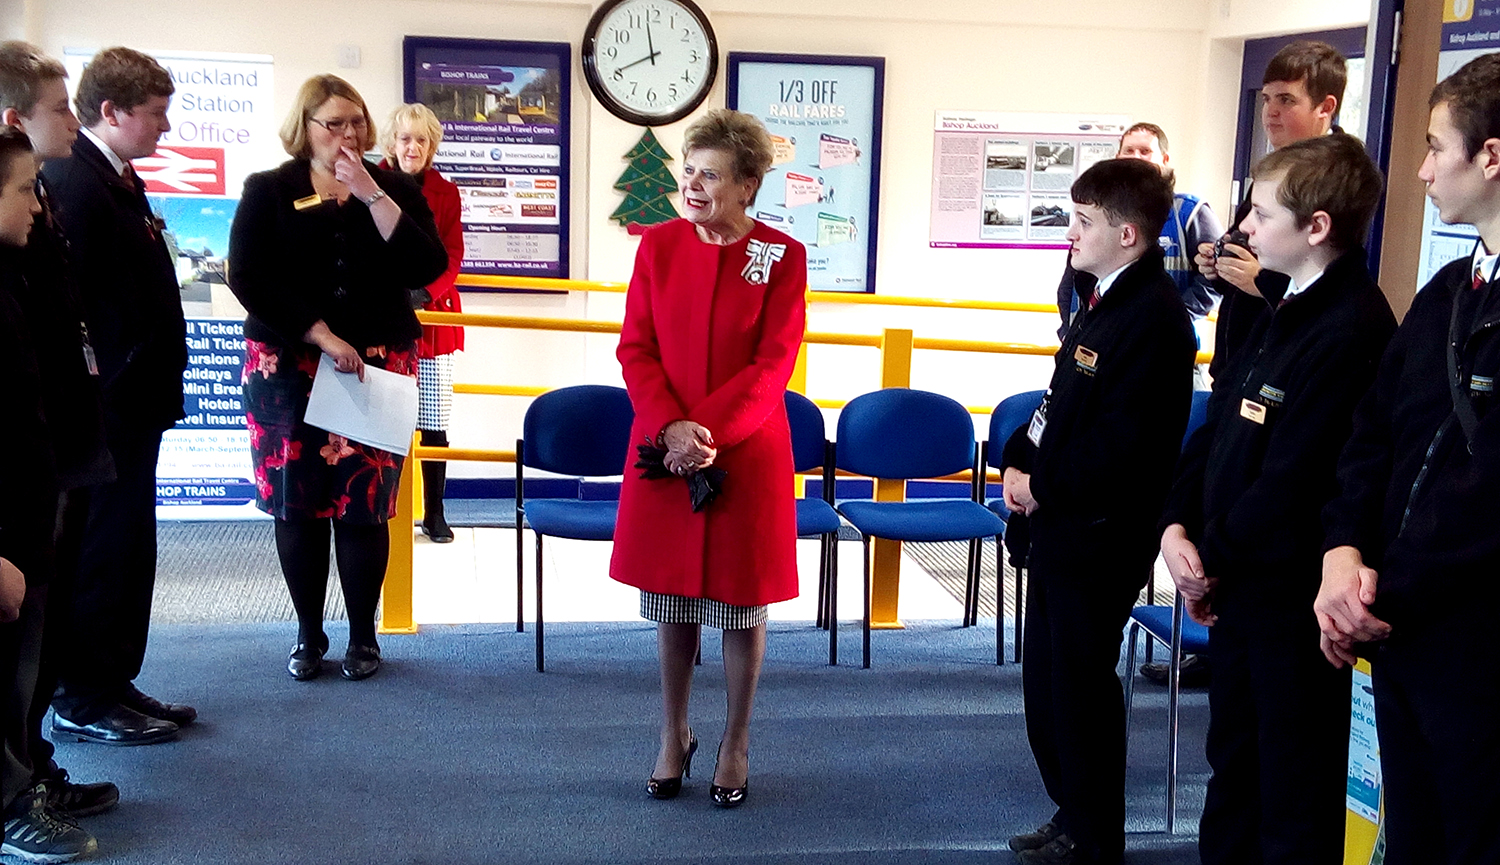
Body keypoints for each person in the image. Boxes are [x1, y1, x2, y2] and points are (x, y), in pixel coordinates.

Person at [1159, 134, 1395, 865]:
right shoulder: (1273, 307)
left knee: (1292, 797)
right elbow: (1219, 424)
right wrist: (1176, 524)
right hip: (1240, 589)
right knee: (1235, 772)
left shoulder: (1351, 324)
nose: (1247, 230)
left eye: (1261, 214)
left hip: (1292, 603)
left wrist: (1210, 559)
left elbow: (1293, 483)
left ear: (1315, 226)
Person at [1315, 52, 1500, 865]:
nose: (1420, 171)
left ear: (1490, 157)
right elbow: (1373, 435)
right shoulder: (1446, 293)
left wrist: (1385, 588)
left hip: (1479, 650)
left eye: (1435, 146)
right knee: (1414, 837)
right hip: (1399, 633)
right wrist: (1342, 550)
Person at [1001, 159, 1196, 865]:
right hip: (1061, 528)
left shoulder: (1155, 320)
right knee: (1052, 687)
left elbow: (1123, 449)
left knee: (1081, 691)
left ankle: (1095, 838)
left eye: (1083, 222)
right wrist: (1018, 458)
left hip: (1099, 534)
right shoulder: (1102, 298)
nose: (1070, 233)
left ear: (1129, 233)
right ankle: (1073, 813)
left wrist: (1039, 485)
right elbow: (1059, 406)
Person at [611, 109, 806, 810]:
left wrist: (707, 433)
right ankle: (673, 732)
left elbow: (773, 361)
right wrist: (670, 429)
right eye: (687, 170)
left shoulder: (782, 255)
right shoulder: (656, 246)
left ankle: (736, 740)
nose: (692, 184)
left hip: (742, 455)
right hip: (665, 452)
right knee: (672, 601)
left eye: (710, 174)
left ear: (748, 184)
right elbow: (635, 347)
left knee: (741, 606)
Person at [228, 75, 446, 682]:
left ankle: (363, 636)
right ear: (307, 128)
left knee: (365, 505)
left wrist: (373, 193)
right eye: (334, 123)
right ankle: (307, 633)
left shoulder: (395, 187)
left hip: (377, 363)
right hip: (290, 364)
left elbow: (427, 265)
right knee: (296, 504)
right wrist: (319, 334)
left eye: (357, 122)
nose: (349, 134)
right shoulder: (270, 189)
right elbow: (247, 274)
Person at [40, 46, 193, 747]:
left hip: (136, 404)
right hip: (109, 408)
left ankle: (113, 679)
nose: (165, 127)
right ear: (114, 111)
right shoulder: (76, 180)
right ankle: (85, 696)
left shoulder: (118, 178)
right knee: (104, 549)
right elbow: (77, 304)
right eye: (155, 114)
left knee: (129, 547)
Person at [0, 39, 121, 824]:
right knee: (19, 644)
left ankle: (32, 766)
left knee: (38, 640)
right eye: (58, 109)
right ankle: (16, 795)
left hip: (58, 448)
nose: (72, 123)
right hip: (22, 471)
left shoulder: (41, 207)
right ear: (16, 119)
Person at [0, 126, 98, 863]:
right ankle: (9, 804)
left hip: (28, 513)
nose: (37, 202)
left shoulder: (13, 275)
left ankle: (25, 780)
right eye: (22, 188)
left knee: (25, 665)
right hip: (2, 535)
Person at [1197, 40, 1346, 381]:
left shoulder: (1336, 180)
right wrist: (1222, 263)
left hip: (1284, 366)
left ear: (1325, 107)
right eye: (1266, 99)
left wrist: (1263, 284)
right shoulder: (1273, 171)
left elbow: (1328, 284)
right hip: (1238, 359)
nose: (1270, 112)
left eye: (1286, 100)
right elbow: (1252, 256)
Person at [380, 103, 464, 543]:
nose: (412, 147)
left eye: (421, 140)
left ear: (431, 147)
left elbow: (453, 254)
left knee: (434, 419)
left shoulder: (446, 192)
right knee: (386, 419)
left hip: (433, 321)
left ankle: (434, 512)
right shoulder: (367, 182)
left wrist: (424, 294)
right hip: (381, 317)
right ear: (391, 143)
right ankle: (385, 507)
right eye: (405, 138)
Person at [1055, 122, 1223, 339]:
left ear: (1164, 160)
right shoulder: (1097, 210)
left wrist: (1171, 318)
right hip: (1093, 341)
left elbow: (1214, 278)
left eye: (1145, 151)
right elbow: (1071, 285)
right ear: (1117, 157)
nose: (1136, 157)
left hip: (1161, 343)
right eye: (1129, 151)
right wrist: (1071, 335)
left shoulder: (1188, 211)